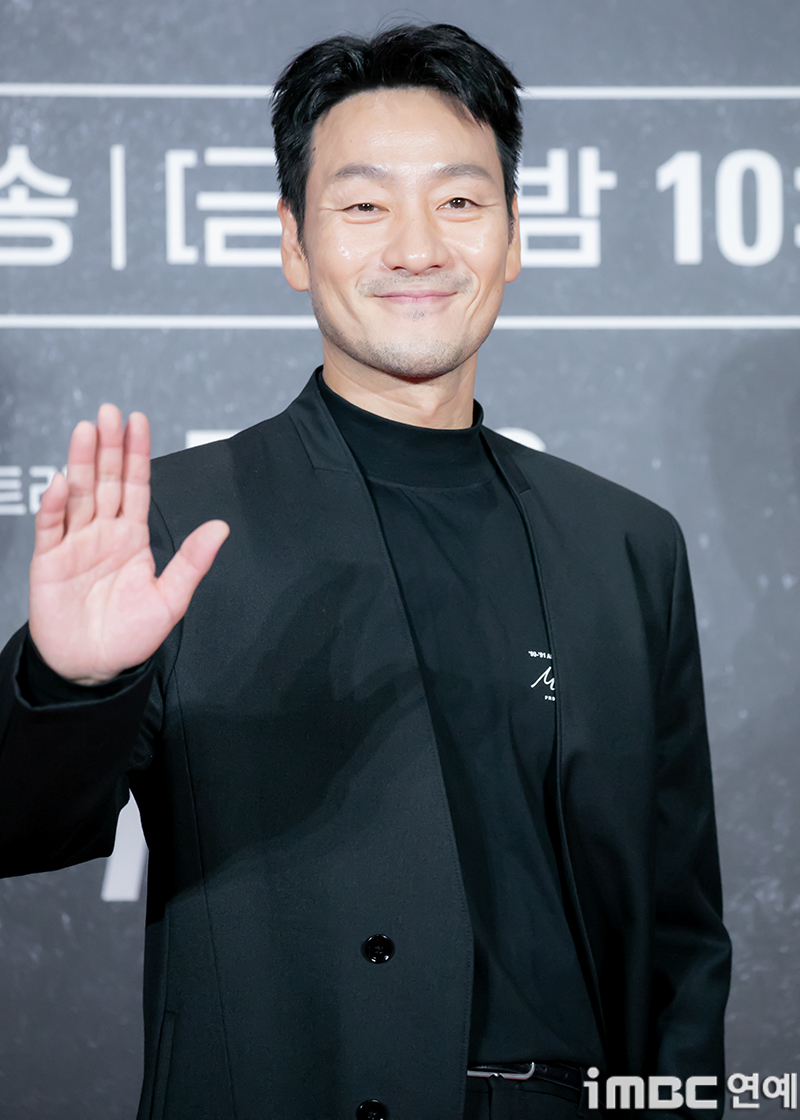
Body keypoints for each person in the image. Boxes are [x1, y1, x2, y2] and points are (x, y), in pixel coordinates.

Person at [0, 23, 730, 1120]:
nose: (417, 247)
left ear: (514, 236)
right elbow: (20, 827)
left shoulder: (627, 544)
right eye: (363, 205)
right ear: (294, 243)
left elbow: (678, 935)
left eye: (459, 200)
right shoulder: (179, 522)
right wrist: (70, 682)